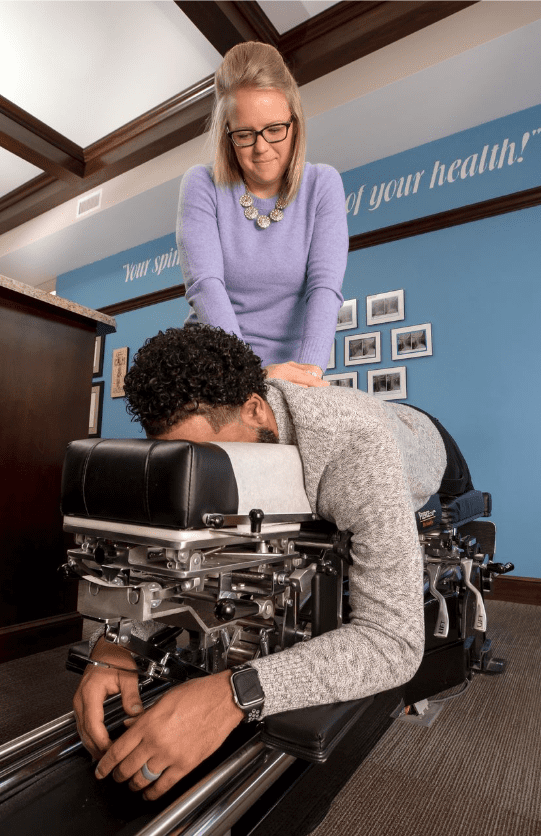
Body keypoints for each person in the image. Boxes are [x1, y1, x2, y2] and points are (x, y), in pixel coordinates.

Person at [74, 325, 470, 801]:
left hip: (421, 440)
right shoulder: (214, 426)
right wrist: (118, 639)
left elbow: (393, 642)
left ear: (255, 408)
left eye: (218, 455)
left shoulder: (354, 447)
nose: (207, 469)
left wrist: (235, 693)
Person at [177, 41, 348, 387]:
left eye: (274, 130)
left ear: (295, 123)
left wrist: (310, 376)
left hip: (295, 374)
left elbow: (325, 287)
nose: (261, 147)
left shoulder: (323, 184)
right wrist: (250, 376)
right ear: (228, 135)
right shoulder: (201, 184)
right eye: (244, 134)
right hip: (216, 370)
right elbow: (205, 286)